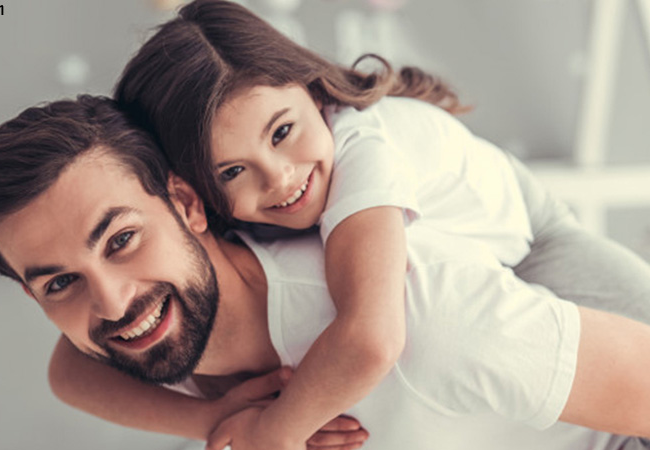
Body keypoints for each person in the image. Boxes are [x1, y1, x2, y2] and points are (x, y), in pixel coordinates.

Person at [78, 0, 647, 447]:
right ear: (193, 194)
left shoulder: (361, 149)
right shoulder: (251, 216)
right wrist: (209, 417)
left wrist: (275, 430)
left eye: (282, 133)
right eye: (231, 171)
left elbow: (372, 334)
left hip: (535, 240)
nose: (278, 179)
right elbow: (68, 370)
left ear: (308, 89)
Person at [0, 95, 650, 450]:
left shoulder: (423, 315)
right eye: (58, 284)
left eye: (123, 240)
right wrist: (214, 420)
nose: (110, 303)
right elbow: (67, 373)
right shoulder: (168, 348)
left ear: (188, 204)